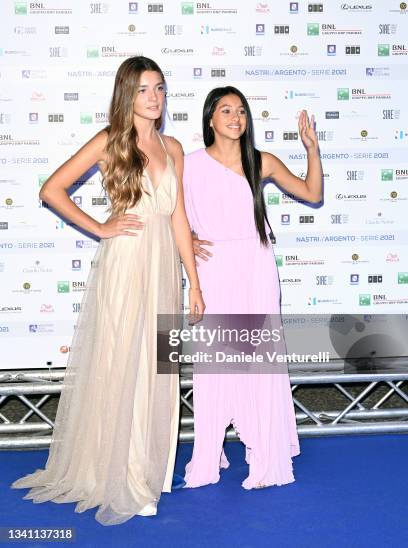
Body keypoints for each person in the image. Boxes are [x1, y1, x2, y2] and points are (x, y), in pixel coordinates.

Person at [11, 56, 205, 524]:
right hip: (125, 263)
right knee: (121, 361)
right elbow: (51, 189)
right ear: (126, 94)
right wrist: (100, 227)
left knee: (158, 368)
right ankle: (114, 473)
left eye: (159, 87)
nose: (154, 97)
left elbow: (178, 217)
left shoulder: (173, 146)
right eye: (143, 89)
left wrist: (193, 283)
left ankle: (142, 468)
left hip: (163, 270)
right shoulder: (109, 141)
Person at [182, 86, 322, 489]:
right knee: (216, 359)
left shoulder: (260, 161)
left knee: (258, 359)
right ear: (210, 119)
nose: (235, 117)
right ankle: (209, 454)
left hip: (256, 266)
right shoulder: (189, 165)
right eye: (226, 110)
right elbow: (168, 214)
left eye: (241, 111)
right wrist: (186, 239)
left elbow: (312, 193)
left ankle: (264, 454)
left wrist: (311, 149)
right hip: (213, 269)